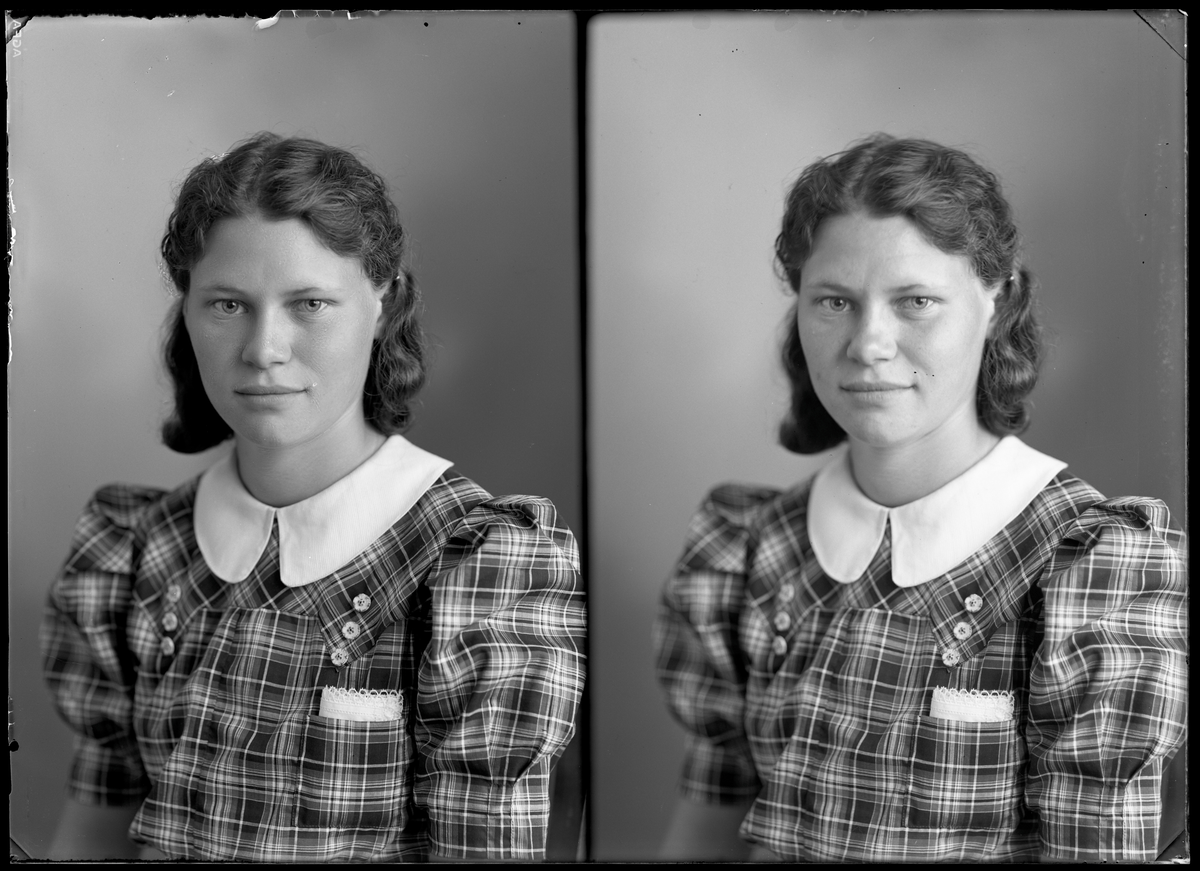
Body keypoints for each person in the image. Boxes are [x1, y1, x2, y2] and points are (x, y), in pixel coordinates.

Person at [42, 132, 586, 862]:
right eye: (228, 304)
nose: (264, 348)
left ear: (383, 301)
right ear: (187, 310)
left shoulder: (477, 559)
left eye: (310, 303)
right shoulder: (135, 547)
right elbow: (94, 833)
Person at [655, 134, 1186, 863]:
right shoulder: (747, 546)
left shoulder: (1091, 563)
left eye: (916, 301)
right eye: (834, 301)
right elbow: (708, 827)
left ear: (999, 302)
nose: (869, 344)